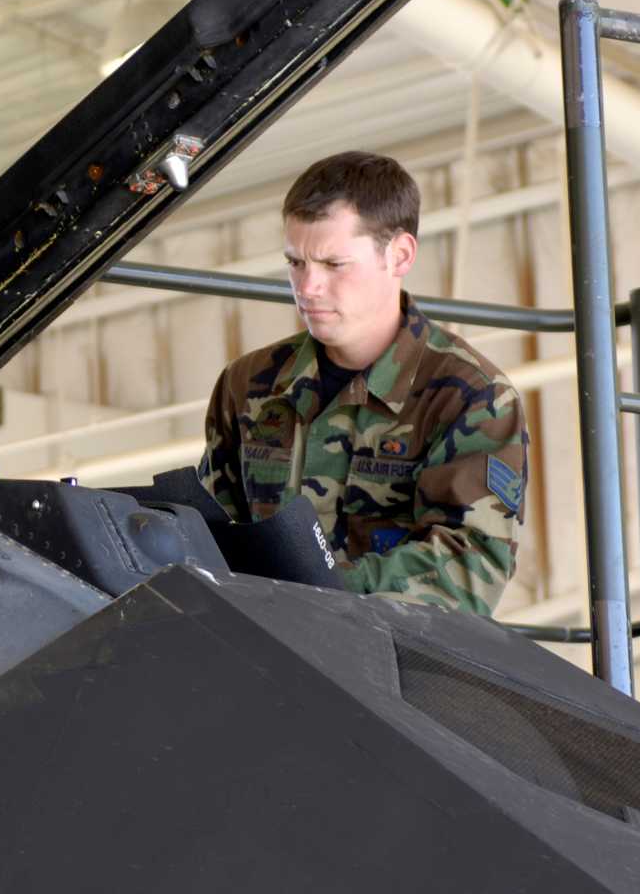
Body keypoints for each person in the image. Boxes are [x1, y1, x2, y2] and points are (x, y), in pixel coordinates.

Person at [197, 151, 527, 616]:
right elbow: (214, 531)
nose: (307, 288)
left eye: (334, 265)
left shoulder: (470, 396)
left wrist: (319, 589)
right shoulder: (249, 384)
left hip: (390, 666)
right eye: (295, 263)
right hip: (266, 651)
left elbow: (470, 568)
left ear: (400, 256)